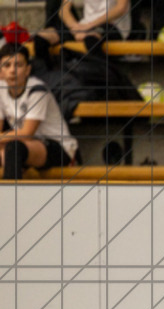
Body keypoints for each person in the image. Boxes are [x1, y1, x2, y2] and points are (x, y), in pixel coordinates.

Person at [0, 43, 78, 180]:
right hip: (26, 147)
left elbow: (26, 134)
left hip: (58, 147)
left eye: (18, 65)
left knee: (13, 149)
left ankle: (11, 200)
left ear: (28, 70)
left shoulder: (37, 89)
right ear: (0, 72)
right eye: (7, 65)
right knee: (11, 149)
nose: (12, 70)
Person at [36, 0, 131, 52]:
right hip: (85, 26)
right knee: (42, 37)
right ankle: (47, 76)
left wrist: (89, 26)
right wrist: (74, 27)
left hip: (113, 25)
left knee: (90, 38)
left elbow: (120, 8)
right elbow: (63, 11)